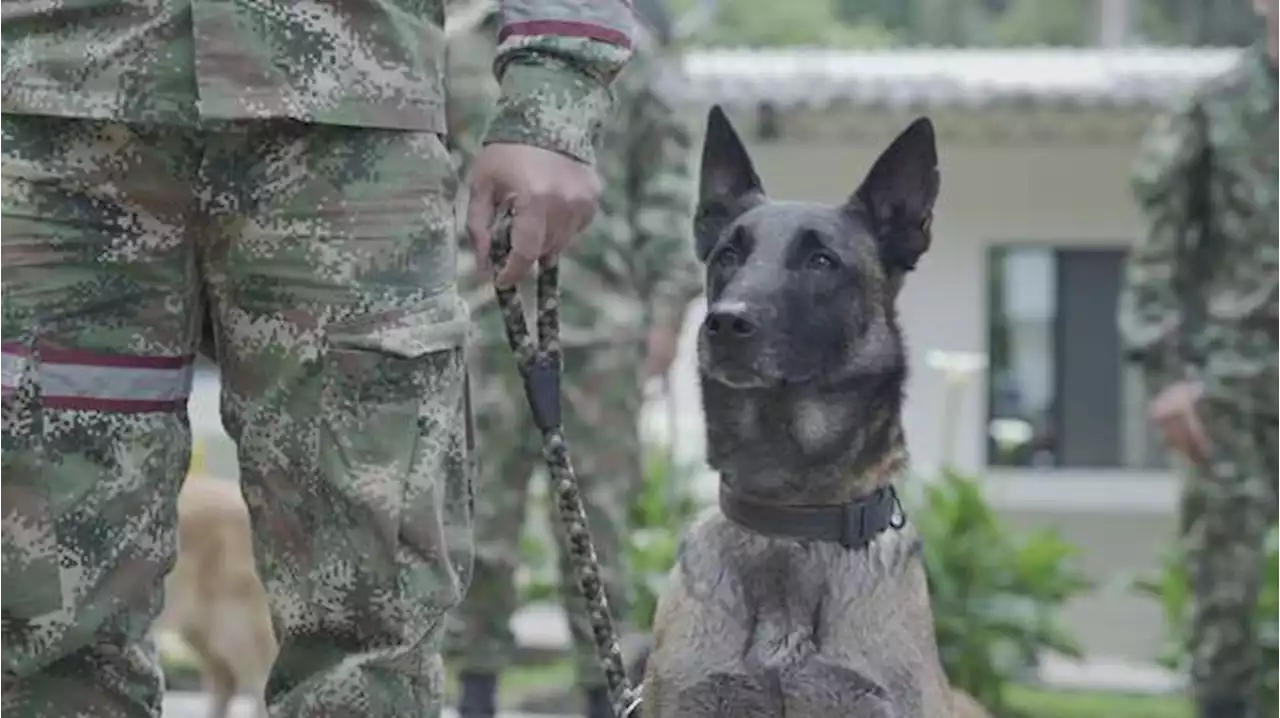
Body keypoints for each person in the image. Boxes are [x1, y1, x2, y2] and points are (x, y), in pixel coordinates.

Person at [0, 0, 633, 715]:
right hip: (45, 110)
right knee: (40, 629)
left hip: (350, 122)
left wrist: (554, 91)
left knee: (371, 634)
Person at [441, 1, 702, 715]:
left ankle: (602, 696)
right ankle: (474, 694)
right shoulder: (451, 47)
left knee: (598, 531)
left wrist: (668, 313)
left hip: (603, 330)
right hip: (479, 322)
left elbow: (668, 187)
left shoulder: (623, 50)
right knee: (472, 526)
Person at [1120, 2, 1280, 716]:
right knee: (1225, 591)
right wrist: (1167, 378)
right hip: (1235, 382)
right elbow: (1158, 255)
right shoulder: (1212, 110)